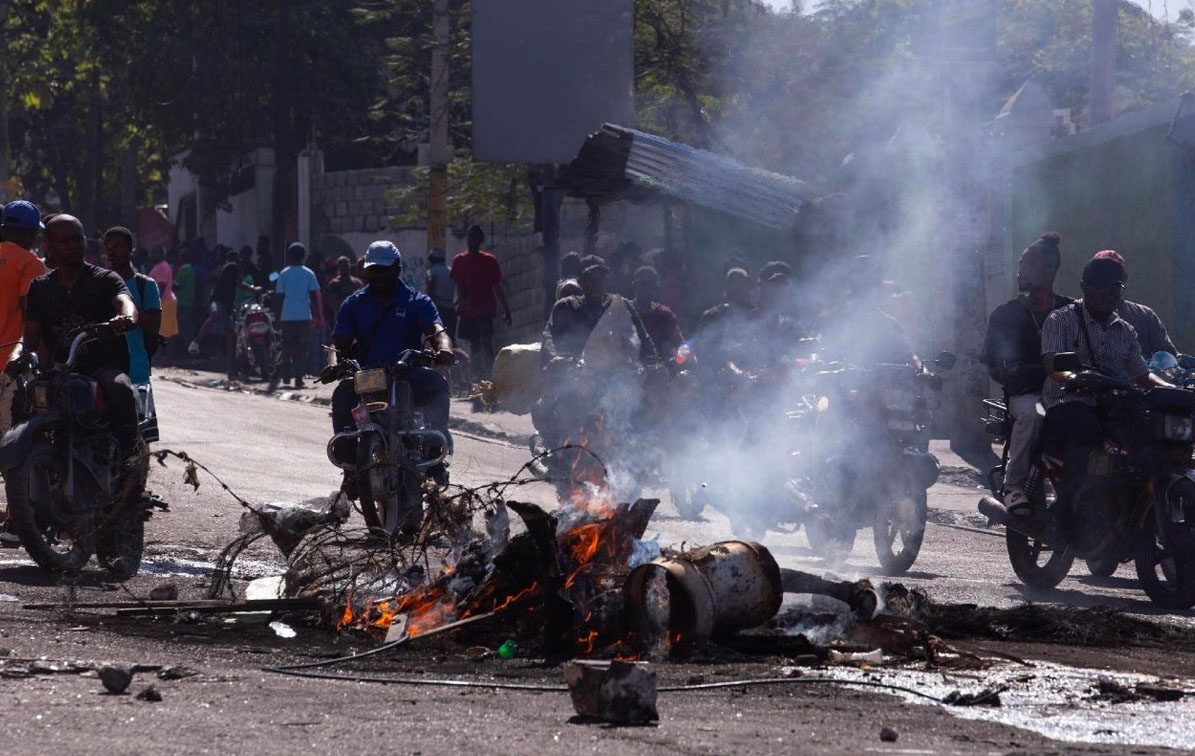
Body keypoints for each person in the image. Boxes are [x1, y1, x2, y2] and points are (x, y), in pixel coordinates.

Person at [1040, 253, 1169, 518]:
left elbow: (1143, 376)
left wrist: (1170, 390)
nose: (1111, 293)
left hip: (1110, 407)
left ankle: (1129, 511)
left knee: (1149, 441)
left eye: (1117, 287)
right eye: (1104, 286)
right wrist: (1075, 378)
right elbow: (1053, 366)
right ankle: (1065, 516)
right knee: (1086, 432)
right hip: (1067, 402)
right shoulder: (1061, 319)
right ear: (1085, 286)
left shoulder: (1125, 331)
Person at [9, 215, 140, 465]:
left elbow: (126, 302)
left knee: (120, 387)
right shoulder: (39, 287)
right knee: (21, 398)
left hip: (101, 368)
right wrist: (17, 357)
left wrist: (126, 317)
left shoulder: (105, 279)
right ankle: (20, 473)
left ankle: (129, 468)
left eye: (77, 240)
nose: (73, 246)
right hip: (58, 371)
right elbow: (30, 338)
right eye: (65, 240)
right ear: (49, 245)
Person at [326, 241, 453, 488]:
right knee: (342, 394)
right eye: (374, 269)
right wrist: (333, 364)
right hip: (368, 376)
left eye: (384, 269)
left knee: (437, 383)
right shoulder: (353, 303)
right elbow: (336, 345)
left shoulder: (417, 301)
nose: (379, 275)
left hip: (407, 371)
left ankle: (434, 455)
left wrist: (444, 349)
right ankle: (349, 468)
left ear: (397, 269)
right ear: (365, 271)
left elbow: (438, 331)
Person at [980, 232, 1072, 511]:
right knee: (1034, 413)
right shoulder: (1005, 314)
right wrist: (1016, 378)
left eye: (1028, 264)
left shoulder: (1070, 311)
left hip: (1065, 393)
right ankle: (1013, 485)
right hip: (1026, 396)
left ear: (1049, 269)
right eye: (1020, 264)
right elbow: (993, 367)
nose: (1020, 271)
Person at [542, 255, 656, 366]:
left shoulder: (620, 305)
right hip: (577, 374)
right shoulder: (567, 306)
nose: (597, 282)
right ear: (580, 281)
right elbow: (549, 336)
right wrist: (554, 357)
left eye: (601, 276)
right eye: (590, 278)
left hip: (617, 374)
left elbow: (643, 339)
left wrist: (653, 363)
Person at [0, 201, 47, 440]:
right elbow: (33, 313)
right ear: (31, 233)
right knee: (10, 438)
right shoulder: (30, 264)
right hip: (11, 362)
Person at [1089, 250, 1177, 358]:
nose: (1108, 289)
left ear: (1123, 280)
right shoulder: (1076, 317)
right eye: (1104, 279)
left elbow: (1169, 358)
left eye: (1113, 280)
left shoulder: (1145, 316)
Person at [451, 225, 511, 381]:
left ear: (481, 240)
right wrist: (462, 301)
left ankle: (491, 375)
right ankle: (478, 378)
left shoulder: (489, 260)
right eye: (471, 236)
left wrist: (506, 309)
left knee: (486, 342)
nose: (473, 239)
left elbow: (496, 286)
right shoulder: (460, 260)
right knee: (474, 345)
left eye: (476, 236)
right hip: (469, 309)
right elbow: (459, 284)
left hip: (485, 308)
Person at [104, 227, 162, 386]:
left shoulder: (145, 284)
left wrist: (128, 313)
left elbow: (154, 325)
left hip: (136, 369)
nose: (111, 251)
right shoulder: (100, 284)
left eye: (117, 246)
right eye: (108, 247)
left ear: (130, 248)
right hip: (107, 370)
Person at [189, 249, 253, 381]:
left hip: (226, 307)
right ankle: (196, 342)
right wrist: (254, 288)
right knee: (215, 315)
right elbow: (241, 284)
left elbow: (237, 283)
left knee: (232, 336)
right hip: (219, 302)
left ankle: (232, 372)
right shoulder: (232, 266)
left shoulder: (225, 269)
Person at [270, 242, 322, 391]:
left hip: (287, 316)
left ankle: (286, 375)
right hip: (304, 315)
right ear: (303, 256)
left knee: (286, 346)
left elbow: (278, 297)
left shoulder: (284, 274)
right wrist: (317, 316)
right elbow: (314, 296)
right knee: (301, 349)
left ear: (289, 256)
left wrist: (277, 316)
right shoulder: (308, 273)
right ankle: (298, 379)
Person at [631, 266, 684, 361]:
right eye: (642, 284)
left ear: (655, 288)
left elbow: (679, 344)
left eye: (650, 285)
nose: (645, 288)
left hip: (657, 367)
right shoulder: (625, 311)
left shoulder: (664, 315)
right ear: (634, 285)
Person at [149, 246, 179, 350]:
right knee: (162, 329)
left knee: (166, 330)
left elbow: (161, 286)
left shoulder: (163, 266)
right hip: (164, 300)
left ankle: (167, 356)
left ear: (161, 254)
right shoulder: (158, 266)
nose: (152, 255)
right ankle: (163, 355)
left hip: (165, 301)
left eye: (155, 253)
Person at [423, 248, 455, 342]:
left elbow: (430, 287)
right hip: (451, 307)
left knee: (438, 337)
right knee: (450, 336)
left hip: (439, 308)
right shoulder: (450, 270)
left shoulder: (431, 271)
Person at [172, 245, 197, 361]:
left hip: (182, 302)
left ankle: (188, 352)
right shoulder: (191, 269)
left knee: (183, 328)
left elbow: (176, 285)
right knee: (187, 328)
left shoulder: (184, 269)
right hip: (188, 301)